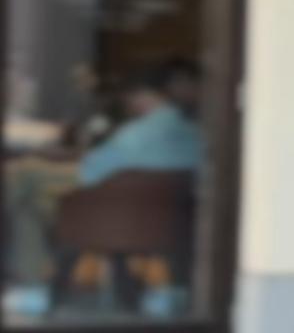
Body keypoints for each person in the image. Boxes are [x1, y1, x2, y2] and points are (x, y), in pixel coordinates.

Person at [4, 62, 202, 316]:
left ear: (142, 96)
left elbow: (89, 171)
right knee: (28, 191)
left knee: (23, 178)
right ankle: (36, 283)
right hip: (160, 221)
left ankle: (34, 285)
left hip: (98, 214)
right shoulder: (194, 134)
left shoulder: (136, 134)